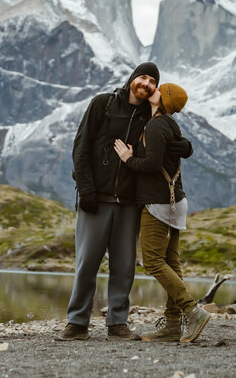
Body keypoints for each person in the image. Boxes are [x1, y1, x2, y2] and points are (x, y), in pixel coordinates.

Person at [58, 63, 190, 341]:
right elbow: (80, 147)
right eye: (142, 77)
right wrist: (86, 190)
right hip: (96, 198)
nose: (146, 84)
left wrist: (185, 146)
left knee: (125, 265)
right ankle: (77, 323)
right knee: (87, 262)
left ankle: (117, 323)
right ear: (132, 79)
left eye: (152, 81)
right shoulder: (102, 104)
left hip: (130, 202)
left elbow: (166, 140)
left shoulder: (151, 116)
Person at [114, 83, 210, 343]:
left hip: (158, 203)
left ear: (164, 99)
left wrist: (128, 159)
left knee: (153, 261)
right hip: (174, 200)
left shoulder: (157, 125)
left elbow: (152, 164)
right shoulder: (168, 124)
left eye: (159, 90)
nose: (153, 90)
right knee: (171, 262)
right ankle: (170, 326)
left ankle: (192, 311)